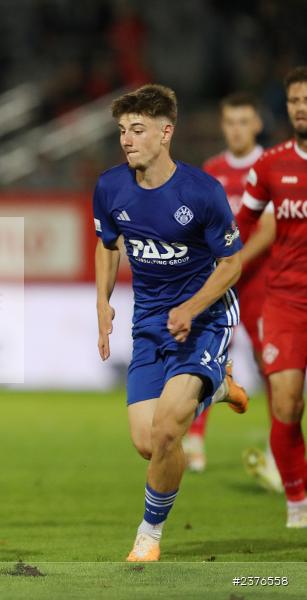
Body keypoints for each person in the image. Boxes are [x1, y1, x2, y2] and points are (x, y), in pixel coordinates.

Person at [94, 84, 249, 562]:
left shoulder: (201, 193)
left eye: (137, 130)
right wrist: (102, 302)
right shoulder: (110, 187)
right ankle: (217, 389)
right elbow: (108, 244)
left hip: (205, 321)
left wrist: (191, 308)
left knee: (166, 433)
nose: (127, 140)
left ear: (166, 133)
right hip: (148, 324)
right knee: (147, 443)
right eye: (122, 130)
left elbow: (232, 264)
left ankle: (149, 536)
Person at [182, 93, 283, 492]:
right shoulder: (212, 170)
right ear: (223, 126)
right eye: (230, 122)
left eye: (244, 121)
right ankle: (194, 440)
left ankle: (279, 449)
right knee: (203, 353)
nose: (237, 129)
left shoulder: (271, 165)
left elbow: (271, 229)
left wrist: (233, 260)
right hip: (220, 279)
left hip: (259, 282)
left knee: (270, 366)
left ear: (257, 123)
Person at [238, 66, 307, 528]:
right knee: (286, 404)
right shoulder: (270, 165)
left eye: (306, 99)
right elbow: (242, 224)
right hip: (285, 301)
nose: (301, 108)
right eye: (294, 101)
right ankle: (298, 503)